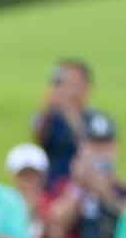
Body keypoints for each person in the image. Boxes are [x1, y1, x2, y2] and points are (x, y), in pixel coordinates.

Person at [29, 59, 95, 187]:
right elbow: (37, 138)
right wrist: (47, 108)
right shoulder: (50, 117)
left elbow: (89, 147)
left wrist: (70, 113)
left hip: (83, 185)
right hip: (51, 184)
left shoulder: (95, 119)